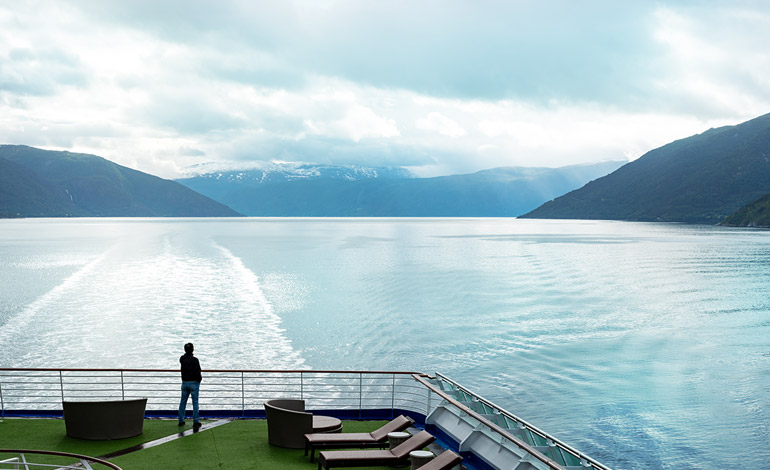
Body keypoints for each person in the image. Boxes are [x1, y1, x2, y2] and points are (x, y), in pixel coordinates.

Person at [178, 342, 202, 429]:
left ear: (185, 350)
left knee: (182, 402)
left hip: (184, 382)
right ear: (192, 350)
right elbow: (197, 372)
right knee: (195, 403)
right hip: (193, 383)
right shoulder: (195, 360)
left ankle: (181, 420)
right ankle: (195, 421)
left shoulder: (182, 359)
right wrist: (199, 380)